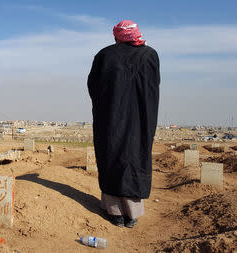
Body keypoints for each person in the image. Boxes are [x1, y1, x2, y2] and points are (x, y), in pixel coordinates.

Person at [87, 20, 160, 228]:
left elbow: (93, 87)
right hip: (142, 119)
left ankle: (115, 212)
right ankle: (132, 214)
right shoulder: (150, 55)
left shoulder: (105, 55)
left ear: (117, 36)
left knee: (111, 155)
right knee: (136, 157)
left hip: (111, 118)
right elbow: (154, 88)